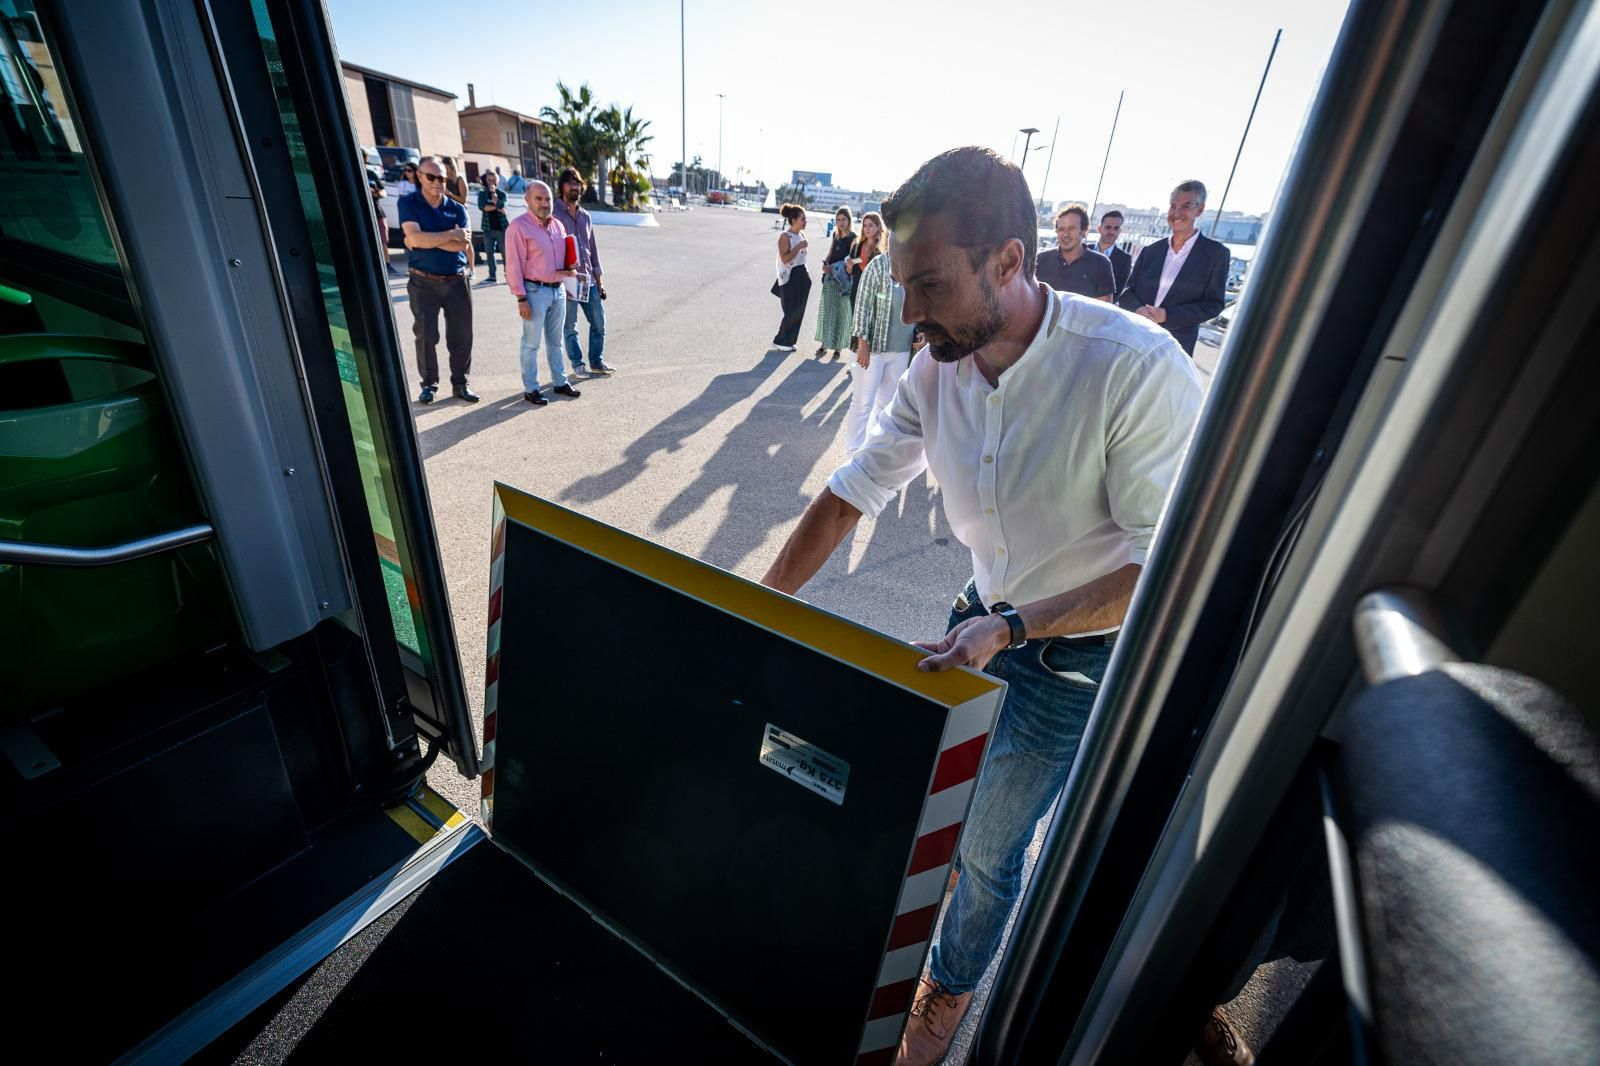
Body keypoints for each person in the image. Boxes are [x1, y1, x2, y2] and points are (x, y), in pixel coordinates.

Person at [758, 147, 1202, 1066]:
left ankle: (942, 1003)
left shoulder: (1131, 370)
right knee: (930, 808)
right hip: (986, 614)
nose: (911, 314)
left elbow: (1165, 568)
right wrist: (747, 608)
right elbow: (847, 495)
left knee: (992, 848)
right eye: (901, 284)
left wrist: (1018, 627)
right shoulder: (936, 372)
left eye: (928, 285)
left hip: (1077, 651)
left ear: (1009, 260)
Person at [1117, 181, 1229, 356]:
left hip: (1177, 346)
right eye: (1173, 206)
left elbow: (1213, 305)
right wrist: (1139, 310)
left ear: (1199, 210)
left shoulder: (1215, 254)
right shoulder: (1150, 251)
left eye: (1186, 206)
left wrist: (1167, 315)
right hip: (1136, 339)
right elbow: (1127, 293)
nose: (1176, 213)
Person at [398, 156, 476, 404]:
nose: (437, 182)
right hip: (423, 282)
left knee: (461, 335)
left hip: (456, 281)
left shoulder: (458, 208)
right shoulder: (408, 203)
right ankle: (429, 385)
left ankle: (460, 384)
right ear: (419, 176)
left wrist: (425, 239)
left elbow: (462, 245)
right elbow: (414, 238)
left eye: (442, 178)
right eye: (431, 177)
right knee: (426, 336)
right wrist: (449, 235)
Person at [505, 180, 582, 406]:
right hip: (534, 290)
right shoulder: (518, 227)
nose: (544, 203)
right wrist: (521, 297)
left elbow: (563, 258)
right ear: (527, 200)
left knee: (556, 341)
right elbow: (513, 266)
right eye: (538, 198)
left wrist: (569, 278)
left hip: (557, 290)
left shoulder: (557, 225)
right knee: (531, 343)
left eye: (547, 199)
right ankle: (531, 388)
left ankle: (560, 381)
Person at [844, 235, 915, 454]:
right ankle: (853, 451)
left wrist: (921, 333)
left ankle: (871, 452)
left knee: (886, 406)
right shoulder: (878, 265)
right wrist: (862, 342)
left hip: (901, 350)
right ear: (890, 239)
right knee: (863, 402)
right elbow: (862, 304)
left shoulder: (914, 268)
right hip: (873, 349)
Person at [553, 166, 617, 375]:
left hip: (587, 279)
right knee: (570, 326)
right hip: (568, 278)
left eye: (578, 183)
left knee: (599, 321)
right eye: (571, 182)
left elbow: (593, 250)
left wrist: (599, 282)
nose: (575, 187)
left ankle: (596, 361)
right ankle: (577, 364)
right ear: (562, 186)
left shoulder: (586, 216)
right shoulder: (554, 214)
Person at [1036, 203, 1115, 300]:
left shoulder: (1101, 264)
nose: (1065, 234)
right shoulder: (1041, 259)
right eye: (1061, 229)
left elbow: (1105, 309)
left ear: (1084, 230)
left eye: (1071, 228)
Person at [814, 207, 855, 358]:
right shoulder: (835, 235)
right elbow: (831, 253)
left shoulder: (853, 238)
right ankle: (824, 344)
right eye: (838, 219)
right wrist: (825, 264)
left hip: (843, 281)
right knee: (828, 312)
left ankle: (838, 347)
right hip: (830, 279)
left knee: (841, 313)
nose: (841, 222)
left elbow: (854, 259)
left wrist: (842, 266)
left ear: (849, 220)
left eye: (844, 219)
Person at [771, 203, 810, 351]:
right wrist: (799, 247)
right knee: (790, 310)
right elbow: (785, 258)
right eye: (803, 219)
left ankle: (789, 340)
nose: (805, 221)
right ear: (794, 220)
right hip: (788, 277)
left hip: (801, 276)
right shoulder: (784, 237)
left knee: (798, 310)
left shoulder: (801, 235)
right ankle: (780, 340)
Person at [477, 170, 508, 284]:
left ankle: (508, 276)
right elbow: (482, 207)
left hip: (501, 228)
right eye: (489, 180)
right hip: (487, 227)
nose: (491, 183)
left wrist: (494, 196)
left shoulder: (502, 194)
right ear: (486, 180)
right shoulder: (482, 193)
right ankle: (492, 276)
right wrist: (498, 208)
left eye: (494, 180)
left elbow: (501, 204)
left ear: (498, 181)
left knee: (505, 253)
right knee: (489, 252)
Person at [1094, 209, 1133, 295]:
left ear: (1120, 231)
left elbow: (1119, 290)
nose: (1111, 232)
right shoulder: (1084, 249)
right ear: (1099, 229)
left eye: (1116, 228)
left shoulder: (1125, 259)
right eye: (1108, 227)